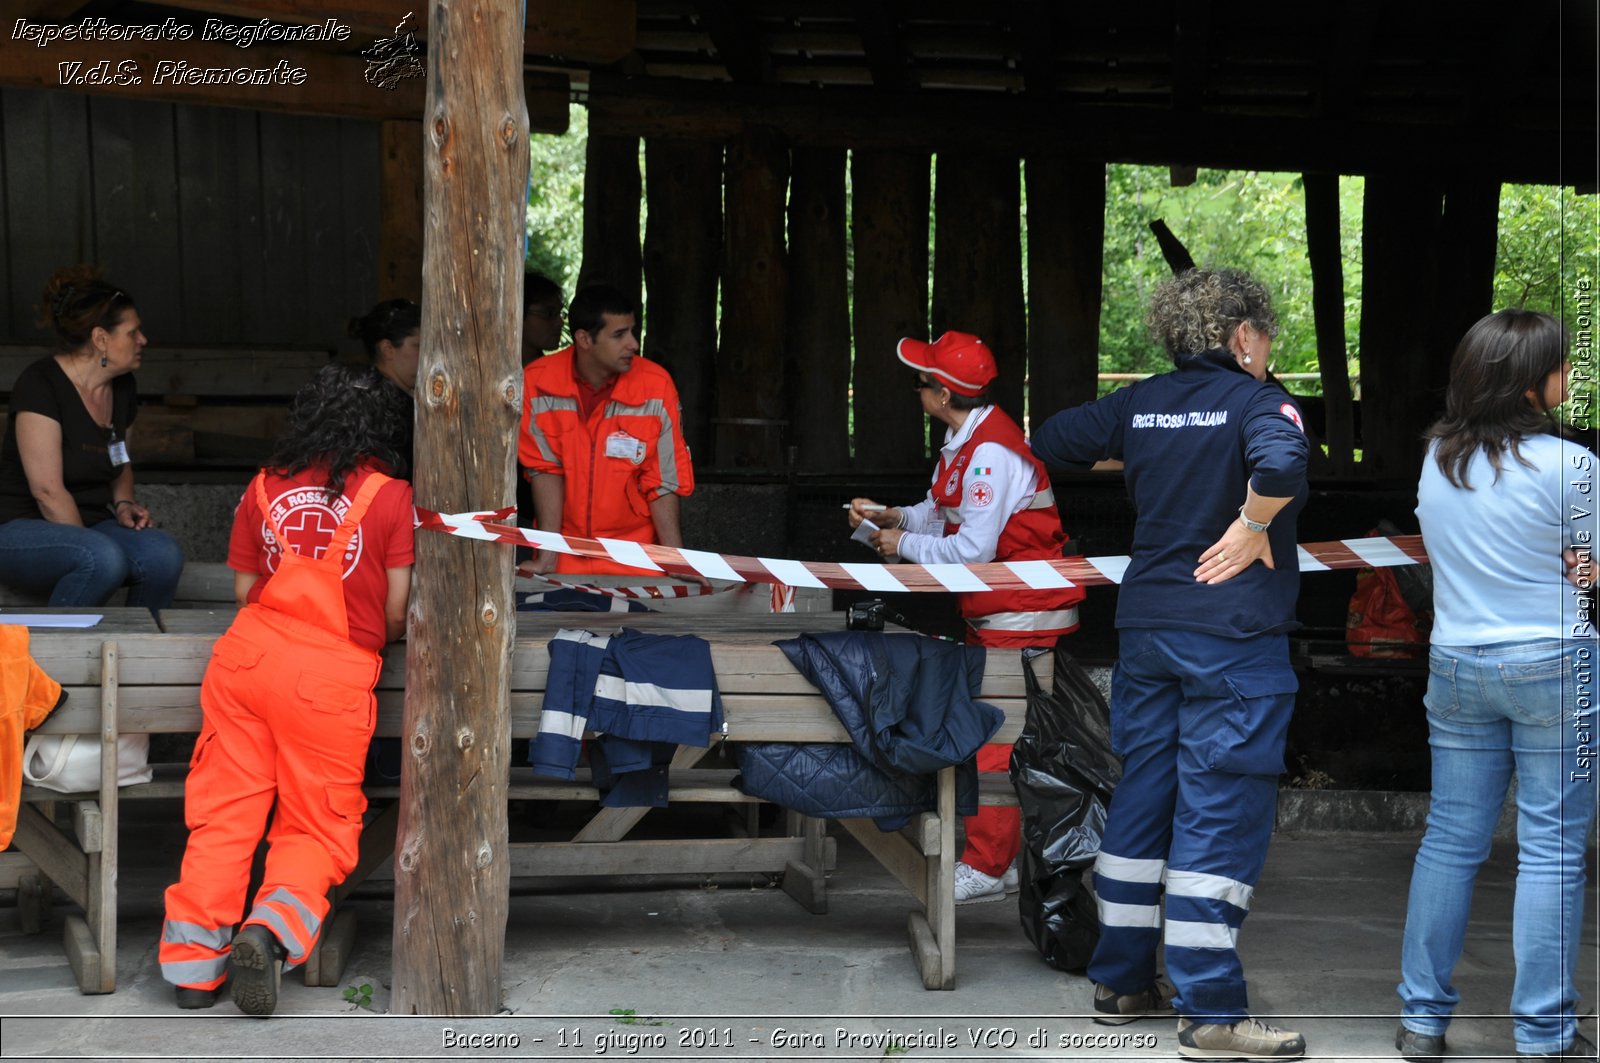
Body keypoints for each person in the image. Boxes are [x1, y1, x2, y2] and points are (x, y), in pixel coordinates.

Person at [1031, 268, 1309, 1060]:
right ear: (1244, 336)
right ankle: (1212, 1012)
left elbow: (1050, 440)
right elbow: (1282, 463)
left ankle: (1121, 982)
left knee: (1144, 797)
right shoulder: (1260, 400)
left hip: (1148, 629)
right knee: (1220, 807)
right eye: (1266, 337)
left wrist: (1145, 455)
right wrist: (1255, 521)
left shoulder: (1139, 402)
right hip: (1233, 637)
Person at [159, 364, 414, 1017]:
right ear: (382, 427)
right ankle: (269, 932)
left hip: (245, 657)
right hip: (330, 675)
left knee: (224, 814)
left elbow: (243, 590)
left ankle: (192, 969)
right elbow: (393, 612)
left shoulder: (263, 485)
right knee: (315, 822)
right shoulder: (391, 498)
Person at [1394, 309, 1596, 1062]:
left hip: (1457, 665)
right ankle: (1544, 1032)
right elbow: (1592, 561)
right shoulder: (1572, 467)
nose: (1568, 379)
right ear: (1530, 384)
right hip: (1554, 662)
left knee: (1450, 840)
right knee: (1550, 850)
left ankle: (1422, 1021)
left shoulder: (1440, 458)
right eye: (1560, 367)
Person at [847, 331, 1084, 904]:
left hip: (1022, 611)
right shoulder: (968, 440)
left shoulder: (991, 456)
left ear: (943, 394)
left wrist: (898, 543)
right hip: (1001, 609)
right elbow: (940, 512)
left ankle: (985, 864)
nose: (916, 389)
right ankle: (997, 861)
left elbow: (970, 551)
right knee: (996, 729)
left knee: (993, 735)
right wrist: (894, 516)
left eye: (921, 381)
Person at [0, 266, 184, 610]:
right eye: (133, 332)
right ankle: (62, 658)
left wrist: (125, 503)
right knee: (101, 558)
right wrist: (92, 546)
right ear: (101, 339)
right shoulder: (41, 384)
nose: (142, 340)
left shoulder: (123, 386)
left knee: (162, 554)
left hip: (91, 523)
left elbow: (119, 459)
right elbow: (47, 492)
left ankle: (138, 652)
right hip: (18, 528)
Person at [518, 283, 694, 576]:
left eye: (632, 331)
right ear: (584, 339)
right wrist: (547, 558)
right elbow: (545, 471)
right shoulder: (537, 382)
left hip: (638, 559)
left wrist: (675, 559)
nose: (633, 344)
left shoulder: (656, 386)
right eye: (619, 335)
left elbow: (662, 482)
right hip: (566, 559)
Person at [522, 272, 566, 367]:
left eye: (560, 313)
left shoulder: (554, 374)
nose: (560, 323)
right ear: (519, 314)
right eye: (549, 314)